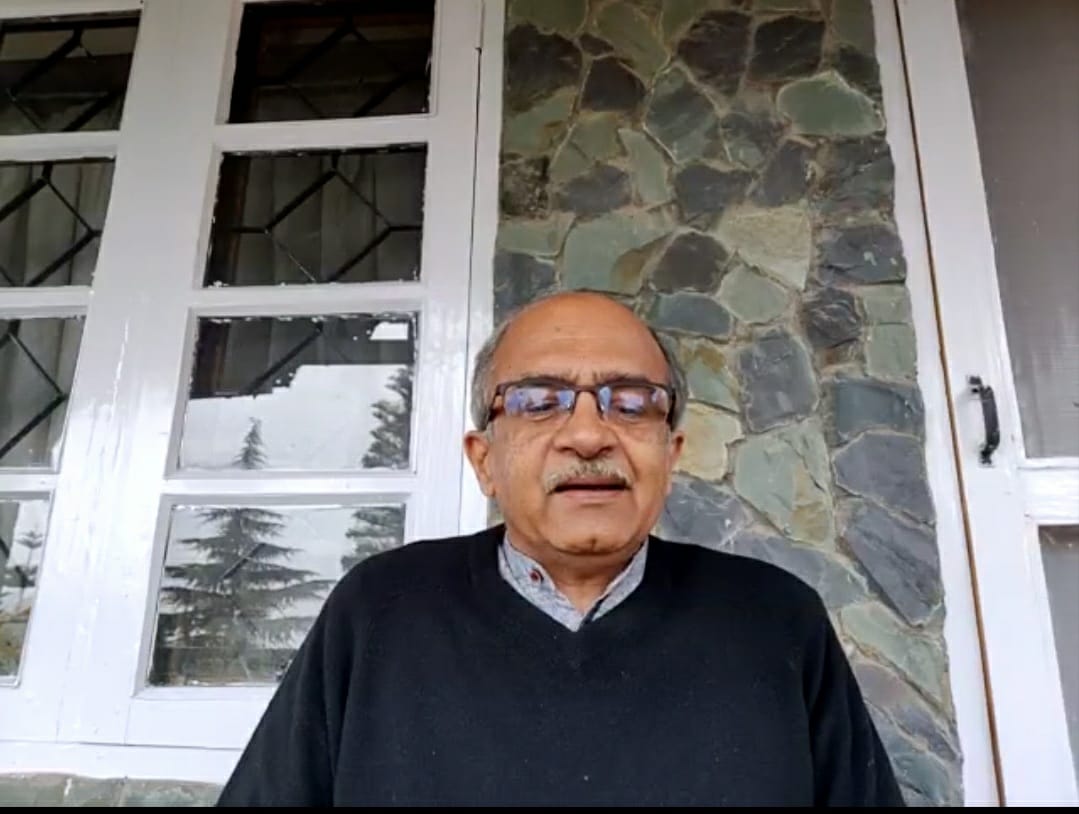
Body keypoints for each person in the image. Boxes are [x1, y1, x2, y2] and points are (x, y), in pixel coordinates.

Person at [217, 291, 904, 806]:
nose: (588, 434)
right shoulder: (380, 610)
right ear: (484, 460)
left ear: (671, 454)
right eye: (539, 400)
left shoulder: (775, 619)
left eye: (630, 402)